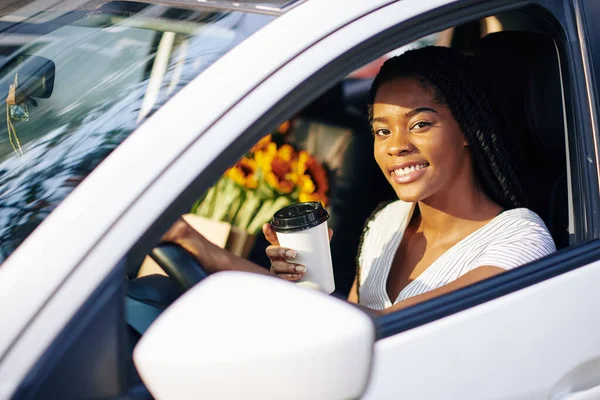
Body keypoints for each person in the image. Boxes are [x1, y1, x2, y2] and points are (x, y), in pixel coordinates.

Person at [164, 46, 556, 315]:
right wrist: (300, 284)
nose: (396, 147)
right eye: (382, 131)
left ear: (466, 129)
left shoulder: (519, 242)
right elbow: (346, 321)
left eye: (419, 124)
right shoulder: (387, 221)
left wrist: (207, 251)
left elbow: (374, 332)